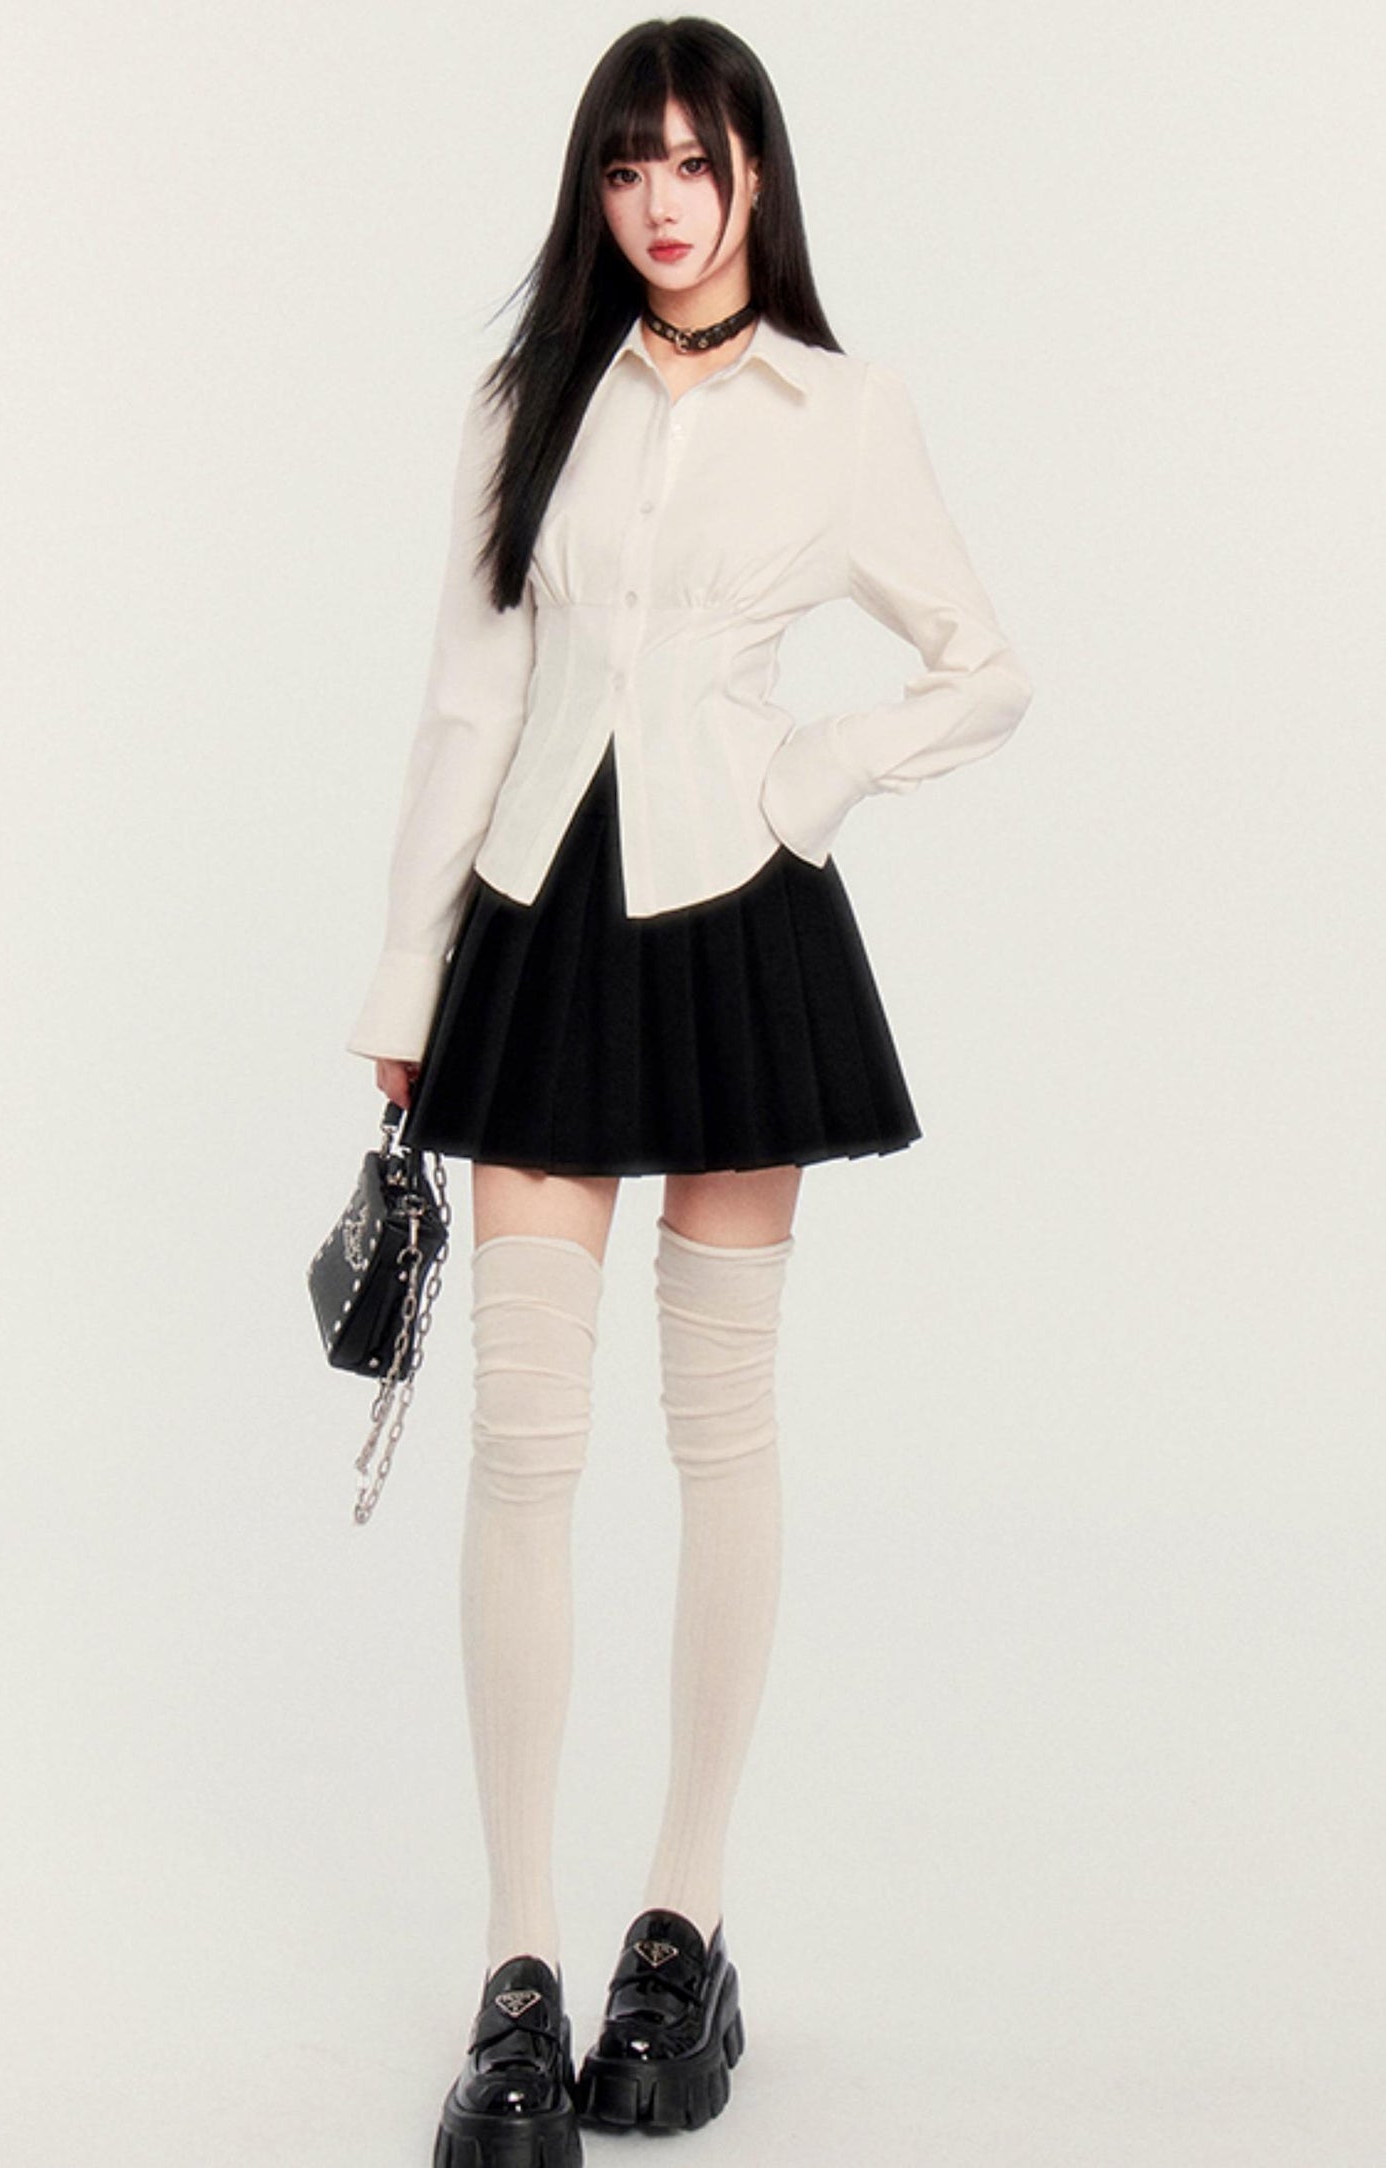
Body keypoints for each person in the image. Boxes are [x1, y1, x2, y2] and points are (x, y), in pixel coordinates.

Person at [344, 19, 1033, 2165]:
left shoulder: (845, 411)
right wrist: (404, 974)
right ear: (597, 187)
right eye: (627, 163)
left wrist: (804, 777)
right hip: (540, 923)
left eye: (696, 160)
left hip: (736, 917)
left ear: (757, 178)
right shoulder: (525, 400)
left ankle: (685, 1920)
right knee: (522, 1440)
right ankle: (520, 1966)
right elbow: (468, 700)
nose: (661, 200)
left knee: (719, 1429)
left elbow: (983, 664)